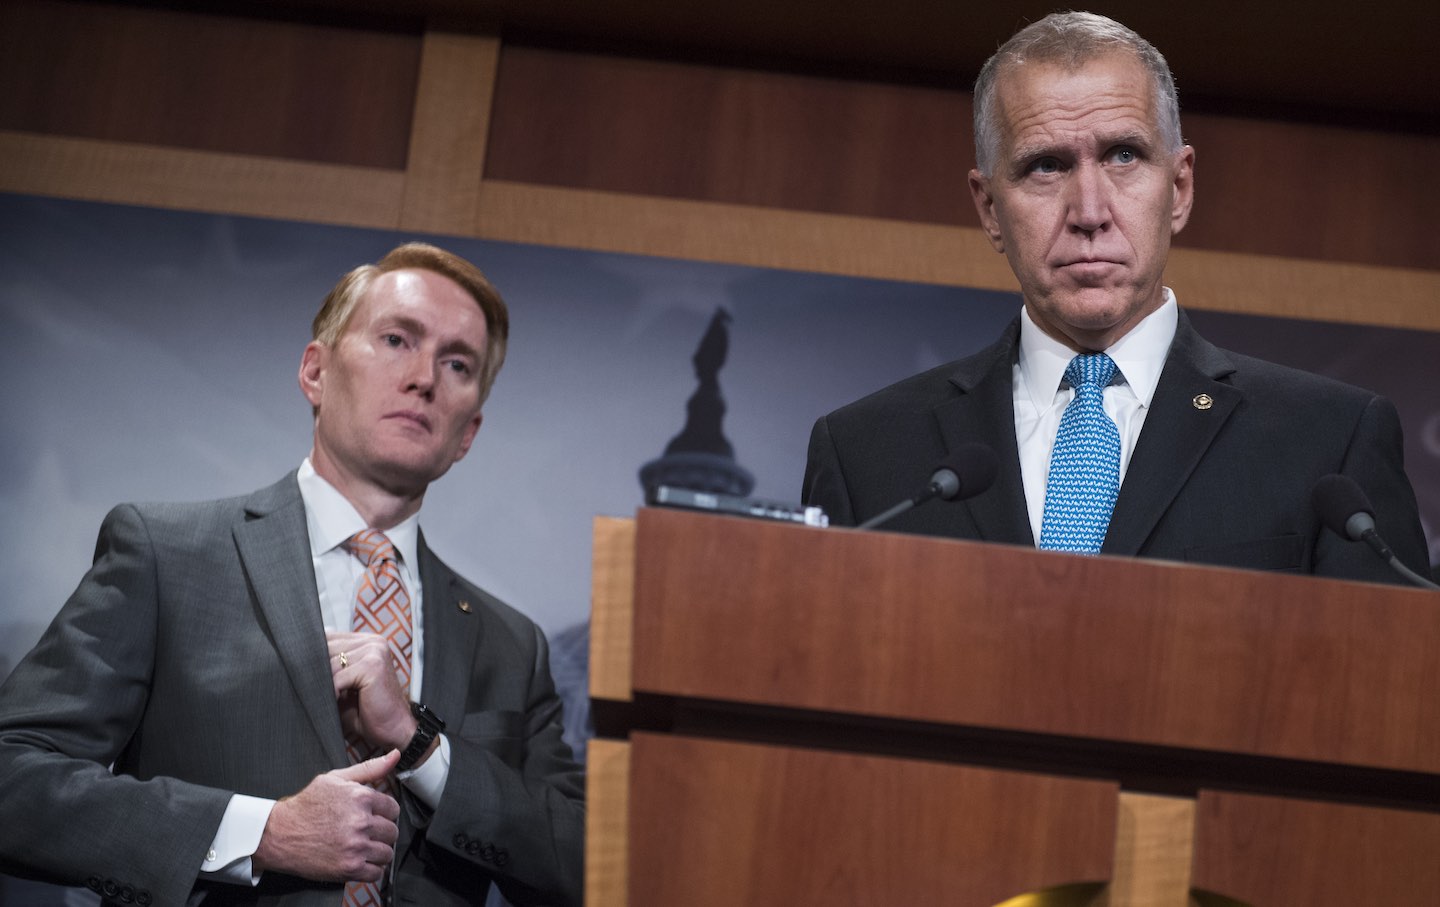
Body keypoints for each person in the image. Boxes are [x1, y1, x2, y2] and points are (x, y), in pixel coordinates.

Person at [0, 243, 584, 906]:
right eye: (397, 339)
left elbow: (588, 863)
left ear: (468, 433)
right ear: (316, 371)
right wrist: (263, 832)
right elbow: (12, 779)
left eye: (457, 363)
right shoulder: (167, 554)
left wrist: (425, 749)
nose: (425, 377)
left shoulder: (513, 644)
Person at [803, 12, 1429, 582]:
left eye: (1123, 155)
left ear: (1179, 188)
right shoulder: (866, 454)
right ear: (990, 208)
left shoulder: (1330, 442)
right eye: (1045, 166)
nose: (1089, 212)